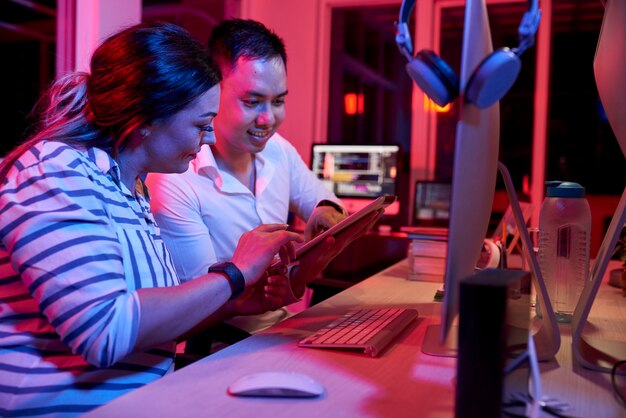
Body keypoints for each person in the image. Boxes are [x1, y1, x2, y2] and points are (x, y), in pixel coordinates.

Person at [0, 22, 307, 416]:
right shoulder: (55, 172)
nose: (210, 138)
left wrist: (235, 303)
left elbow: (150, 322)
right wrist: (235, 273)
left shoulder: (131, 188)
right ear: (146, 119)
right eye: (200, 125)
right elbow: (104, 332)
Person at [145, 19, 379, 343]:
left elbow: (323, 201)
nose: (268, 120)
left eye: (278, 101)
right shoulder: (175, 180)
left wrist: (326, 214)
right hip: (222, 344)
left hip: (284, 330)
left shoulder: (278, 150)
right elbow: (199, 308)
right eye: (252, 102)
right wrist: (300, 273)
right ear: (212, 91)